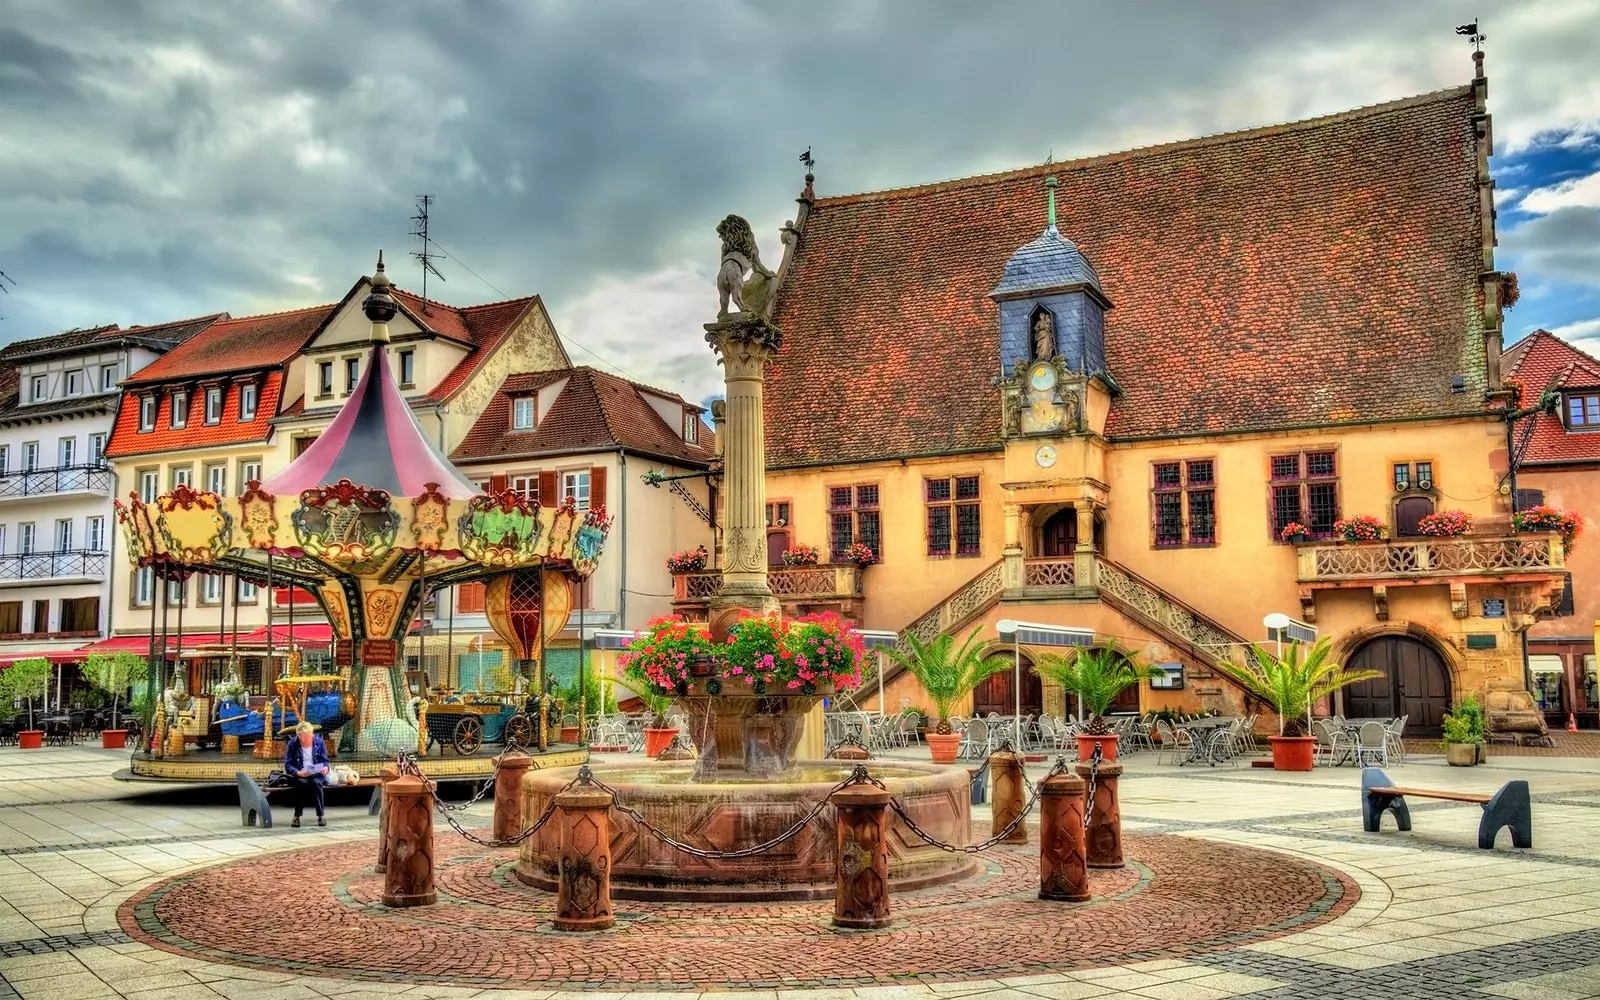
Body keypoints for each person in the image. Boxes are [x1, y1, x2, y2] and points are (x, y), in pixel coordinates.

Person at [283, 721, 329, 827]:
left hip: (316, 772)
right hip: (301, 772)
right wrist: (298, 772)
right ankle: (297, 816)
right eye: (307, 737)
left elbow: (325, 760)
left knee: (316, 783)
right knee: (301, 784)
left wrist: (326, 768)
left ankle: (321, 815)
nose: (310, 739)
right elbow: (288, 764)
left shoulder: (319, 742)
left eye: (311, 736)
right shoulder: (292, 744)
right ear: (299, 736)